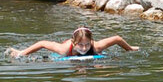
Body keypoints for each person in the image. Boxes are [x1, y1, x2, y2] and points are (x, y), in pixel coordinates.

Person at [8, 26, 138, 58]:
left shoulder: (96, 47)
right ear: (74, 43)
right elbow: (42, 43)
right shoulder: (64, 49)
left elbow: (117, 39)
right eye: (80, 45)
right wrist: (21, 53)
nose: (84, 48)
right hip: (67, 52)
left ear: (91, 41)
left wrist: (130, 49)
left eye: (87, 44)